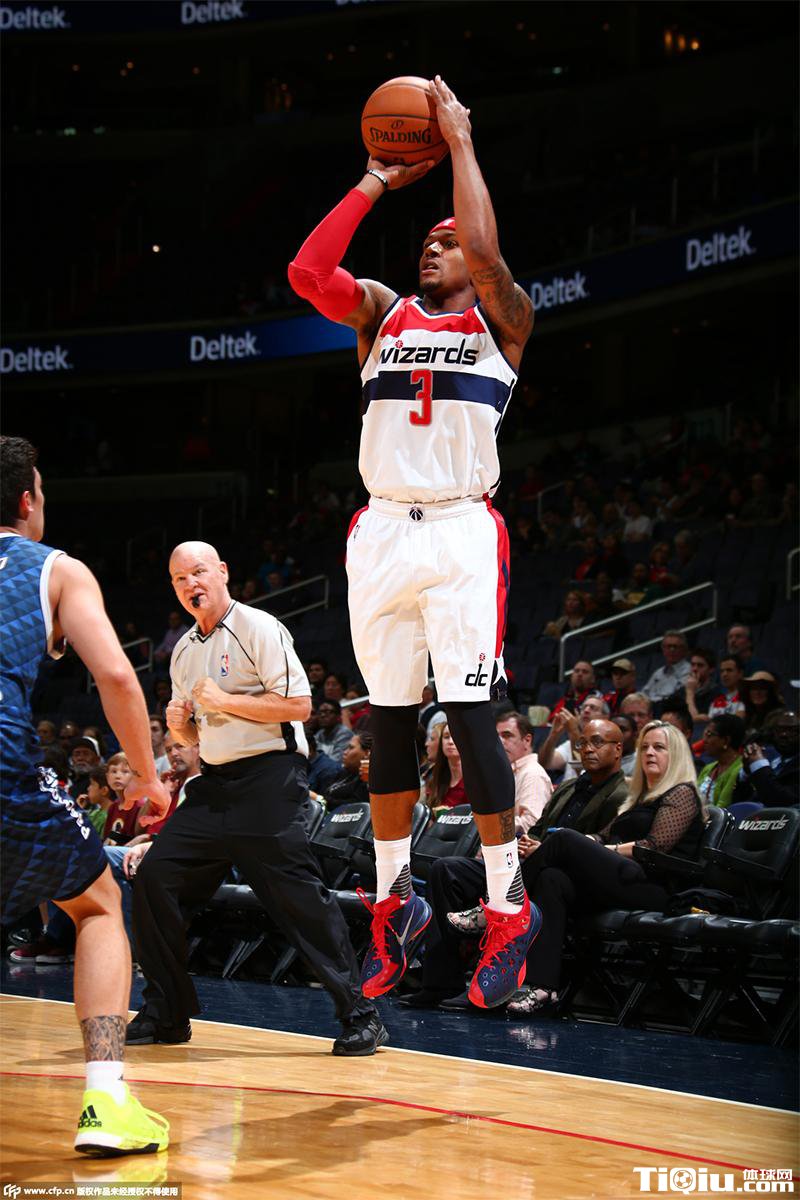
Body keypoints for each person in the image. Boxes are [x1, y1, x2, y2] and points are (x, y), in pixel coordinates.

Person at [288, 75, 538, 1009]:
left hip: (461, 526)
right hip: (382, 528)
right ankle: (396, 904)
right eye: (426, 242)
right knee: (388, 722)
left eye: (448, 241)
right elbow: (308, 275)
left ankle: (508, 907)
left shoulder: (502, 318)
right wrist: (374, 182)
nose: (434, 248)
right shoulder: (382, 313)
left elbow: (486, 248)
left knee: (470, 711)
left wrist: (460, 142)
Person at [127, 540, 385, 1055]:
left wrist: (224, 700)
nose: (191, 584)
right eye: (179, 579)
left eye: (199, 572)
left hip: (271, 778)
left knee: (298, 898)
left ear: (222, 572)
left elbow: (299, 705)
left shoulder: (258, 627)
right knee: (154, 878)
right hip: (213, 786)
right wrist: (180, 728)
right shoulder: (183, 650)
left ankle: (361, 1014)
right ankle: (167, 1013)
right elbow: (193, 736)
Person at [0, 435, 171, 1156]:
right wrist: (150, 775)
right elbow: (118, 677)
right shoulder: (54, 569)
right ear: (27, 500)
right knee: (98, 900)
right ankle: (104, 1101)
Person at [405, 719, 627, 1009]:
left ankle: (495, 927)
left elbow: (600, 852)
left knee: (551, 873)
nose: (587, 749)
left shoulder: (622, 795)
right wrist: (526, 844)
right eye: (582, 743)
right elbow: (537, 829)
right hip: (527, 865)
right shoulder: (569, 787)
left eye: (597, 742)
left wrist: (539, 848)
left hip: (567, 880)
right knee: (447, 869)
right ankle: (439, 983)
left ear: (618, 749)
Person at [508, 720, 705, 1014]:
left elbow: (653, 847)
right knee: (552, 878)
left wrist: (597, 848)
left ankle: (504, 906)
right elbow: (601, 835)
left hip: (656, 886)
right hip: (622, 879)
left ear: (676, 754)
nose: (649, 753)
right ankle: (543, 987)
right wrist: (590, 843)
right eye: (645, 747)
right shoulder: (639, 797)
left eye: (659, 747)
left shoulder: (681, 793)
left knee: (564, 839)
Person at [495, 712, 553, 829]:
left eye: (507, 735)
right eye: (497, 737)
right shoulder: (504, 773)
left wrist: (489, 825)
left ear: (527, 740)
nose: (500, 741)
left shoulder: (533, 774)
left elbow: (531, 823)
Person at [738, 711, 799, 808]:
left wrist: (759, 765)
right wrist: (746, 772)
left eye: (793, 730)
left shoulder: (763, 763)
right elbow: (738, 800)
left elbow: (780, 800)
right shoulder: (771, 759)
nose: (783, 734)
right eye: (779, 730)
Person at [697, 716, 746, 808]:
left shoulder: (739, 770)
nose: (704, 740)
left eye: (709, 735)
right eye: (705, 734)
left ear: (726, 740)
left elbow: (722, 808)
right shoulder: (708, 768)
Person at [642, 630, 692, 702]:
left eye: (675, 647)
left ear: (684, 649)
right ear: (663, 649)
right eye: (668, 646)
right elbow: (644, 693)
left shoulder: (689, 671)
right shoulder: (658, 673)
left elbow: (675, 699)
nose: (671, 649)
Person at [741, 671, 784, 737]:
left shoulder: (777, 715)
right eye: (754, 688)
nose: (757, 692)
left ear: (771, 692)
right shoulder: (751, 715)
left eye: (762, 688)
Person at [314, 700, 352, 764]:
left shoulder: (344, 734)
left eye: (327, 712)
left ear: (338, 716)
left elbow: (336, 761)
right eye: (320, 712)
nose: (322, 715)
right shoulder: (319, 734)